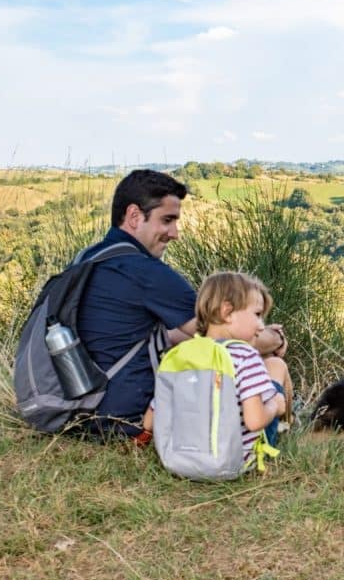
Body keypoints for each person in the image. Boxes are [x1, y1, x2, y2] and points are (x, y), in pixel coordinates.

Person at [75, 169, 199, 440]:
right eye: (167, 220)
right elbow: (221, 331)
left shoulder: (88, 259)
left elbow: (125, 339)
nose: (174, 233)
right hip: (123, 422)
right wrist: (269, 340)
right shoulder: (145, 272)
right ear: (134, 216)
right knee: (260, 361)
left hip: (77, 414)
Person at [143, 272, 290, 465]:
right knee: (277, 366)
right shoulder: (246, 356)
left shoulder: (179, 355)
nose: (261, 326)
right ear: (227, 312)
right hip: (233, 460)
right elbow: (255, 421)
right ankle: (288, 423)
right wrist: (275, 406)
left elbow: (149, 423)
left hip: (177, 460)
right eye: (257, 315)